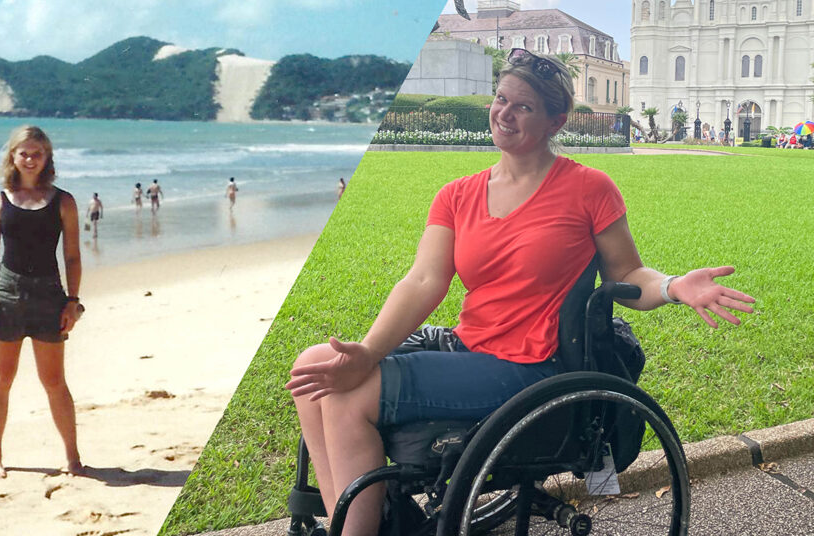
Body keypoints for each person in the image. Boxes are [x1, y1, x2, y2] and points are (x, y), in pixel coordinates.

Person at [286, 48, 755, 536]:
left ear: (556, 121)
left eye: (523, 107)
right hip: (471, 345)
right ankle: (367, 517)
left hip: (530, 368)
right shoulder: (457, 194)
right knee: (312, 366)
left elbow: (629, 274)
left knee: (345, 397)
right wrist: (366, 351)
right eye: (500, 99)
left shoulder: (589, 189)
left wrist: (675, 286)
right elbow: (423, 281)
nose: (504, 114)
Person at [0, 125, 85, 479]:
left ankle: (72, 456)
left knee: (54, 380)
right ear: (12, 155)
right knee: (1, 378)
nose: (29, 159)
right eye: (23, 152)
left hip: (49, 295)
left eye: (36, 153)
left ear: (47, 158)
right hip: (6, 294)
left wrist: (73, 301)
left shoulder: (63, 201)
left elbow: (72, 256)